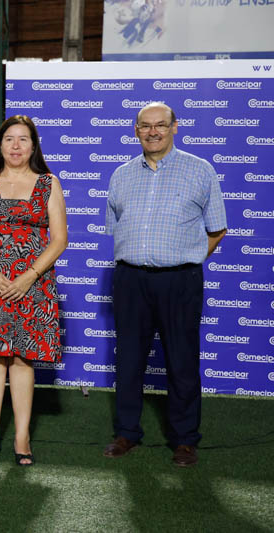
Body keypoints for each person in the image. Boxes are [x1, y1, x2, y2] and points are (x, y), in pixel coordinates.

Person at [103, 102, 226, 467]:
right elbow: (115, 227)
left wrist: (186, 257)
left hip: (180, 280)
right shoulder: (121, 175)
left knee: (182, 360)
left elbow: (217, 229)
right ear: (136, 130)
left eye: (160, 125)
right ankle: (127, 433)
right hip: (130, 279)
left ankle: (185, 439)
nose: (153, 131)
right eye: (145, 126)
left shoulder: (200, 170)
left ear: (175, 127)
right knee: (128, 360)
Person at [0, 115, 67, 466]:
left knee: (22, 358)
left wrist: (29, 277)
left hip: (31, 286)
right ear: (0, 145)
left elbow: (59, 239)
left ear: (33, 145)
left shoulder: (49, 183)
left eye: (23, 139)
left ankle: (21, 436)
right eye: (9, 139)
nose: (16, 146)